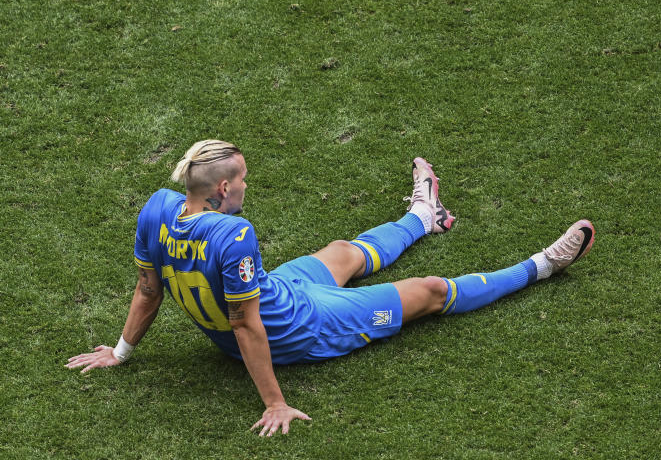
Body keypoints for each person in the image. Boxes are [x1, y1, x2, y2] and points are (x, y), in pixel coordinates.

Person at [66, 140, 596, 436]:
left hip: (279, 292)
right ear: (224, 188)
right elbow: (246, 324)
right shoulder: (234, 234)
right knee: (430, 290)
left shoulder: (158, 206)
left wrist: (121, 352)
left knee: (343, 251)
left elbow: (148, 289)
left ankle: (423, 216)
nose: (249, 186)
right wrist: (275, 404)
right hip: (304, 327)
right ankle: (542, 266)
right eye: (245, 179)